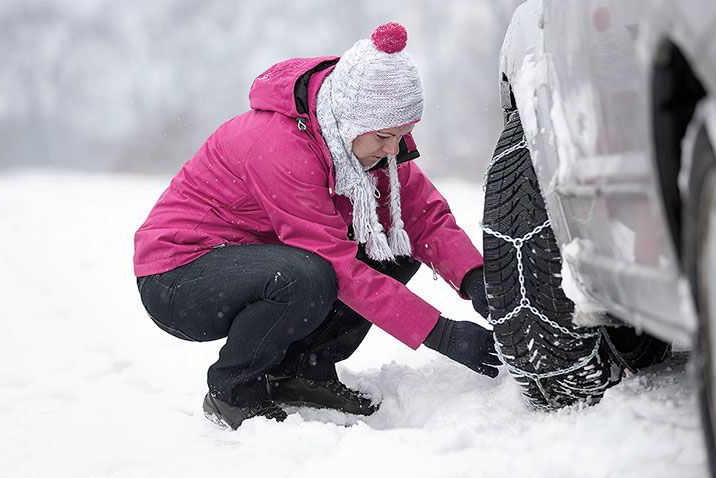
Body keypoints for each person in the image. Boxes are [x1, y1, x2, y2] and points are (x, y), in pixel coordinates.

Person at [133, 22, 500, 430]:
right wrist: (442, 333)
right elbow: (336, 264)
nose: (393, 149)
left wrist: (477, 280)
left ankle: (303, 371)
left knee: (391, 246)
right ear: (349, 119)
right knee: (306, 277)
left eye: (404, 135)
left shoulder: (366, 150)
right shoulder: (279, 146)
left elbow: (421, 219)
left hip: (258, 263)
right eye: (384, 136)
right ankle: (233, 392)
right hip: (178, 276)